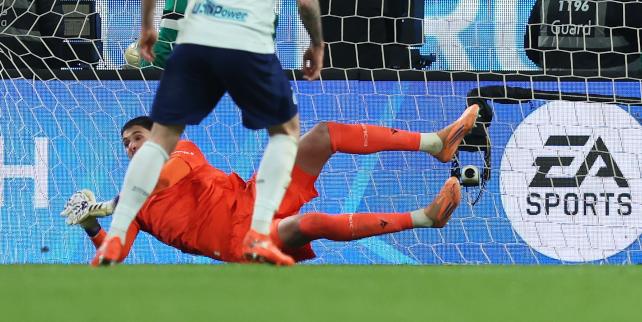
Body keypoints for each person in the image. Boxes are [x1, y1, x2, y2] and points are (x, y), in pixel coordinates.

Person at [93, 0, 322, 267]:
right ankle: (257, 236)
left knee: (160, 140)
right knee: (286, 133)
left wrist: (146, 28)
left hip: (196, 43)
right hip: (248, 44)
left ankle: (116, 236)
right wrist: (316, 42)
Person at [62, 109, 475, 263]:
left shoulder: (180, 151)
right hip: (240, 240)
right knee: (308, 223)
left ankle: (436, 143)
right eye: (127, 143)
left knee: (322, 135)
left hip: (255, 197)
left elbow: (166, 178)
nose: (133, 146)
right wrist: (90, 224)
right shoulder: (133, 208)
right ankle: (425, 217)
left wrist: (110, 203)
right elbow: (114, 252)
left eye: (139, 137)